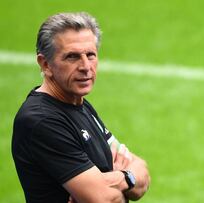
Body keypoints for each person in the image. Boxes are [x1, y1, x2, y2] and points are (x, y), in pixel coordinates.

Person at [12, 12, 150, 203]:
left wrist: (123, 177)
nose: (86, 66)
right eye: (72, 57)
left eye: (91, 55)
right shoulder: (42, 120)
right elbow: (106, 200)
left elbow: (142, 173)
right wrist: (125, 181)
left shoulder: (78, 103)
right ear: (45, 64)